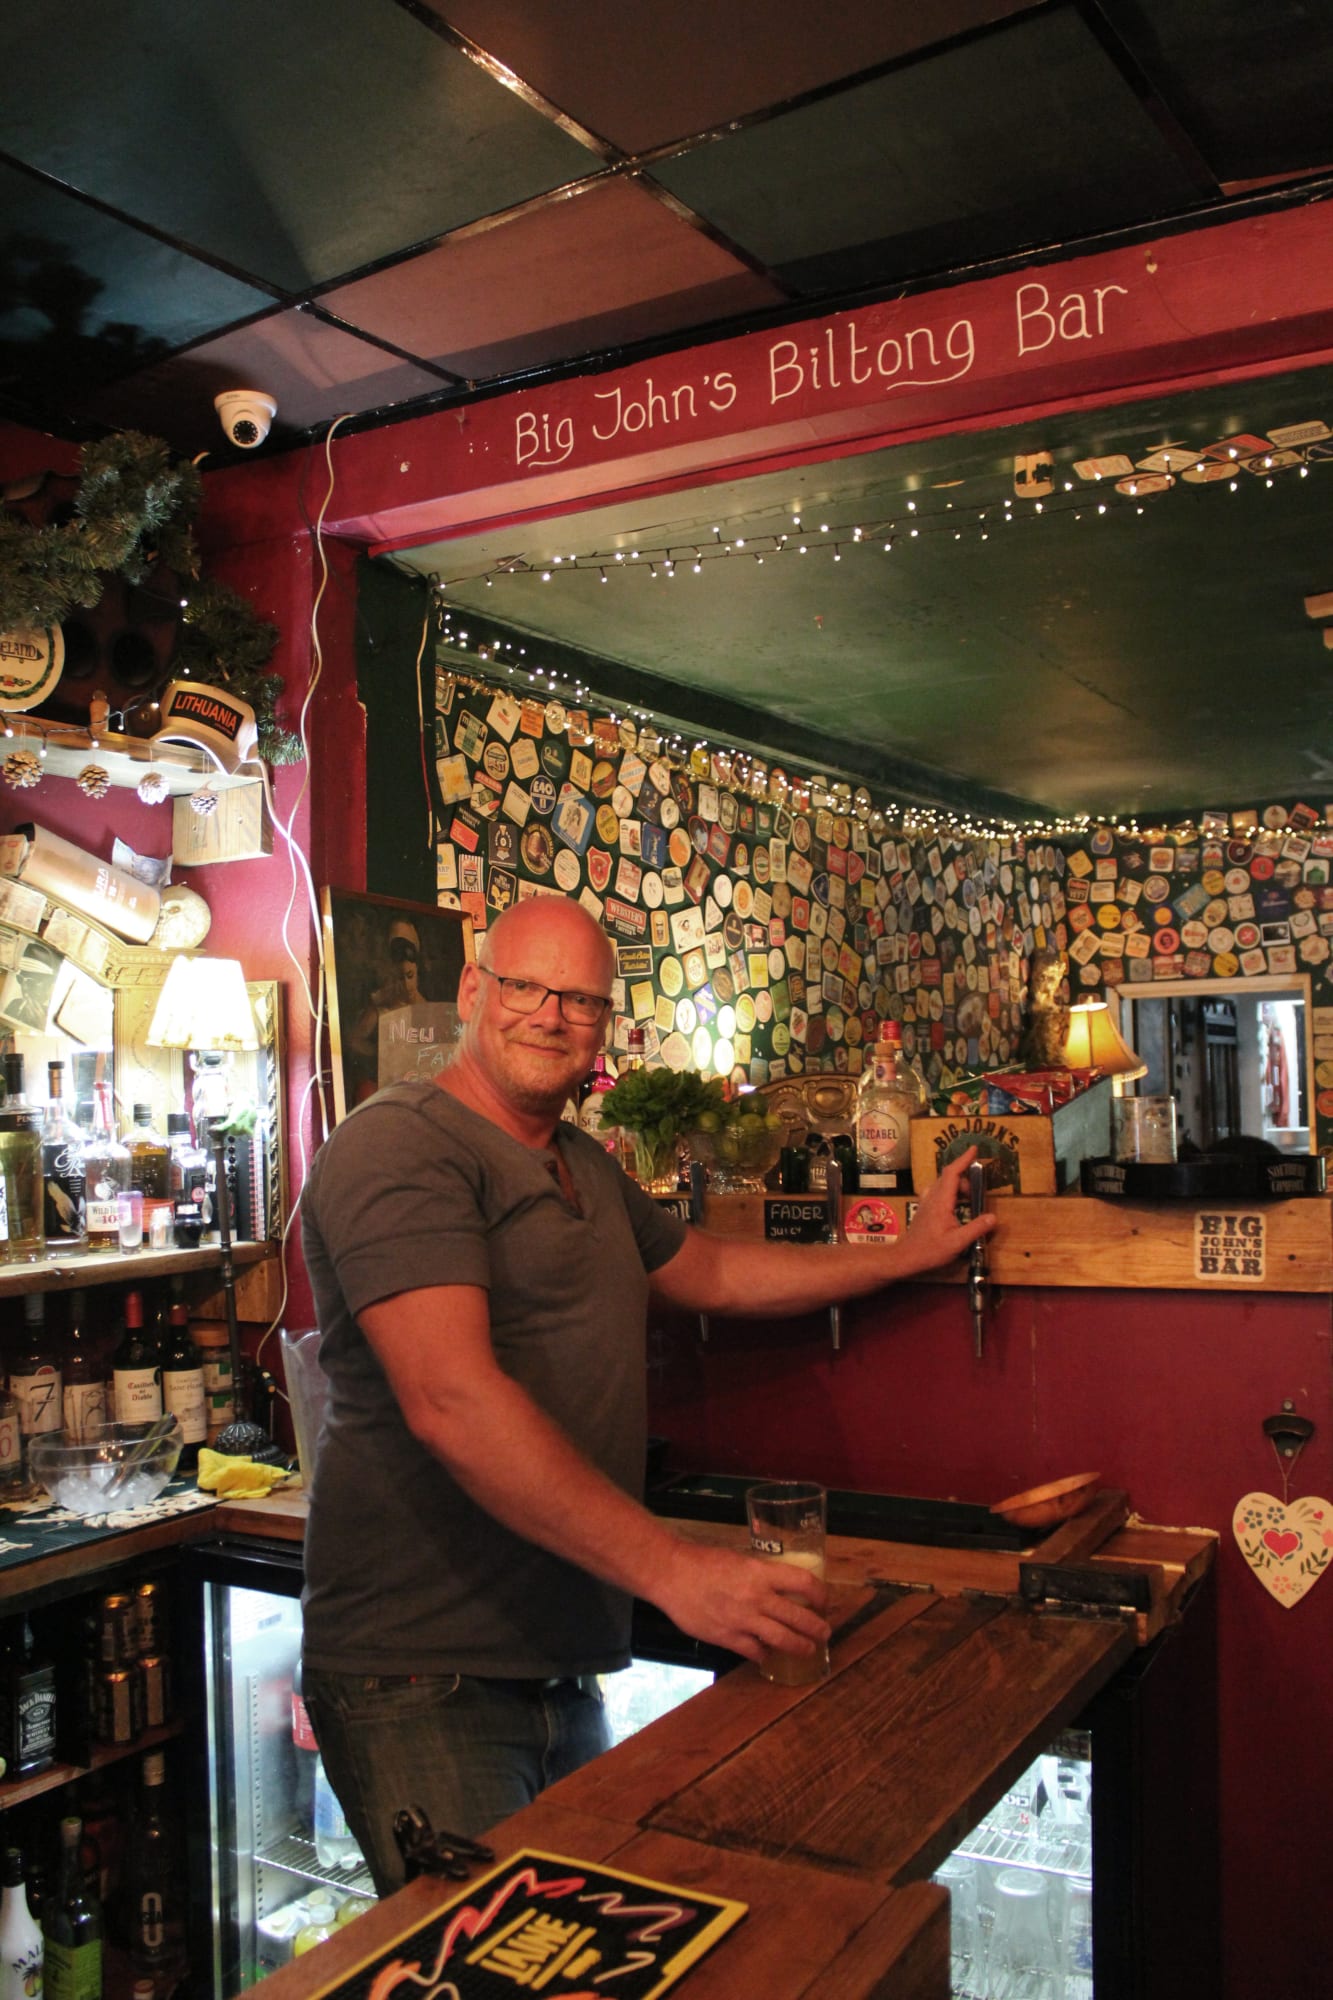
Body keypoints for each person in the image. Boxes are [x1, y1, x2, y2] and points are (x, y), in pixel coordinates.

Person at [299, 896, 993, 1892]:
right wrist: (679, 1572)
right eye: (524, 986)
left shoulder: (581, 1159)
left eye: (578, 999)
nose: (549, 1015)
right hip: (422, 1671)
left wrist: (899, 1256)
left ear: (603, 1025)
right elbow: (450, 1398)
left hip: (557, 1660)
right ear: (471, 991)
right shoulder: (401, 1146)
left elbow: (708, 1271)